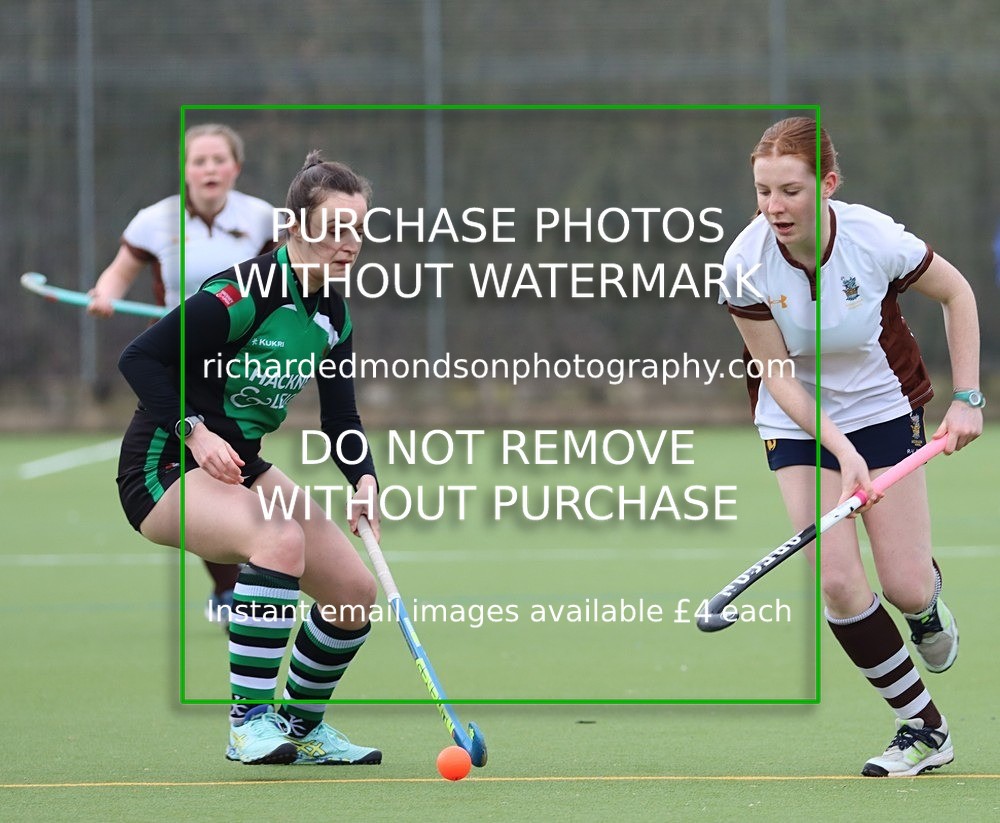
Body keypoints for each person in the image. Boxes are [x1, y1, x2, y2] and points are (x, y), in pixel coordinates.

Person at [719, 117, 983, 777]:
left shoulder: (873, 239)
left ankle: (927, 602)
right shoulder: (744, 265)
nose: (773, 207)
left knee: (904, 582)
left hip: (883, 405)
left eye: (789, 191)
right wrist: (837, 447)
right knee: (838, 581)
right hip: (796, 419)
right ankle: (923, 728)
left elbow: (957, 293)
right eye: (762, 191)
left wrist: (969, 397)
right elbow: (776, 374)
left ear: (827, 184)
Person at [116, 151, 382, 766]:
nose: (350, 242)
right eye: (336, 227)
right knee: (278, 539)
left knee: (351, 592)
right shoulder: (245, 292)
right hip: (164, 467)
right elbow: (140, 358)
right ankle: (248, 724)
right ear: (294, 228)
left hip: (241, 462)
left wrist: (363, 477)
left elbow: (340, 419)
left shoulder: (332, 315)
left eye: (358, 229)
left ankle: (300, 725)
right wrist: (194, 431)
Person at [90, 123, 276, 626]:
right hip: (174, 364)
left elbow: (290, 276)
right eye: (199, 160)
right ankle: (227, 587)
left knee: (228, 467)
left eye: (219, 160)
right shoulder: (155, 221)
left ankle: (234, 580)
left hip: (241, 367)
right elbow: (119, 271)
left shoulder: (260, 217)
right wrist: (105, 293)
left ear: (235, 167)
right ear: (185, 168)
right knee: (198, 469)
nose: (210, 169)